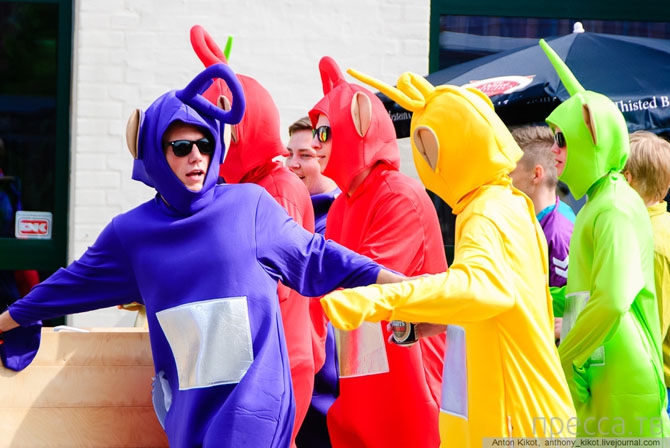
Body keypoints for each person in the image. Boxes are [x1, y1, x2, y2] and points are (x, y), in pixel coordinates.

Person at [0, 64, 404, 447]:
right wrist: (7, 320)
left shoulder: (250, 205)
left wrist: (401, 286)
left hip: (255, 403)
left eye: (205, 143)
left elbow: (318, 256)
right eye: (180, 146)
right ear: (155, 152)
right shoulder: (131, 233)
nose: (196, 155)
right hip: (188, 406)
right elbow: (69, 285)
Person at [320, 66, 576, 446]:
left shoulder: (486, 211)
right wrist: (440, 320)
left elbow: (482, 287)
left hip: (511, 421)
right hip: (522, 414)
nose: (427, 162)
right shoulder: (506, 203)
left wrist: (377, 298)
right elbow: (506, 302)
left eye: (428, 149)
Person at [190, 25, 323, 447]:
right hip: (262, 356)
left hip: (279, 359)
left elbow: (271, 279)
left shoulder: (277, 190)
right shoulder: (252, 186)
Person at [308, 56, 447, 448]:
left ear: (358, 128)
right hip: (361, 377)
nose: (316, 145)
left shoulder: (397, 194)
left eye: (325, 133)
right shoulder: (343, 204)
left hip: (409, 386)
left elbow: (366, 282)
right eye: (316, 133)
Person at [539, 39, 669, 437]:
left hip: (621, 382)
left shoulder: (612, 205)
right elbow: (587, 292)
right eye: (554, 138)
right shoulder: (603, 201)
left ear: (591, 136)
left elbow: (612, 299)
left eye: (563, 139)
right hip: (608, 375)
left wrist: (569, 356)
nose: (554, 150)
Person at [286, 116, 340, 448]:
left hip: (329, 374)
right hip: (299, 363)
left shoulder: (340, 215)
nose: (292, 164)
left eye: (305, 155)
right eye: (289, 153)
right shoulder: (290, 209)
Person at [509, 125, 574, 341]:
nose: (503, 178)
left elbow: (566, 303)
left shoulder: (558, 231)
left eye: (509, 170)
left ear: (536, 174)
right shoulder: (536, 219)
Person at [623, 130, 670, 415]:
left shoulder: (652, 243)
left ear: (626, 179)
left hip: (659, 384)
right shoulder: (656, 227)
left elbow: (655, 325)